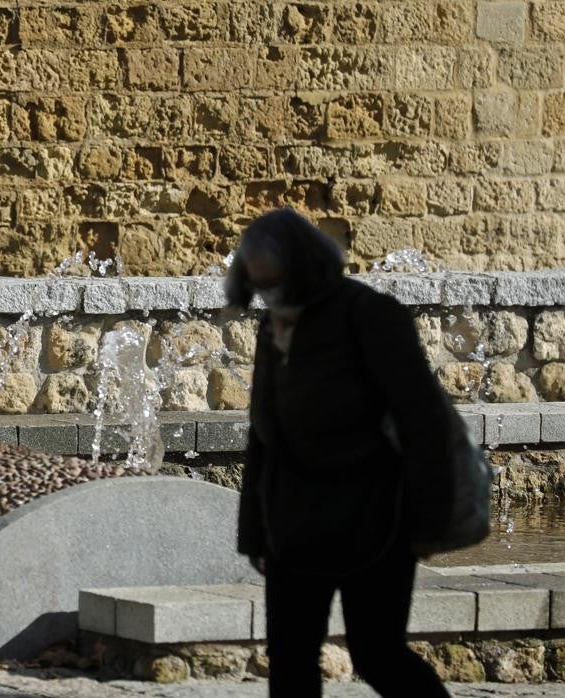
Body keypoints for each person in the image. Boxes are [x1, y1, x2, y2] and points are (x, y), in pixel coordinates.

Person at [225, 208, 452, 697]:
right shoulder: (271, 330)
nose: (271, 298)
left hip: (375, 518)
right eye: (262, 288)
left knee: (377, 654)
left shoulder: (374, 316)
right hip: (293, 524)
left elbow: (423, 420)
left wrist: (430, 520)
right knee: (289, 661)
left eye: (278, 286)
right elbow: (263, 436)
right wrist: (255, 534)